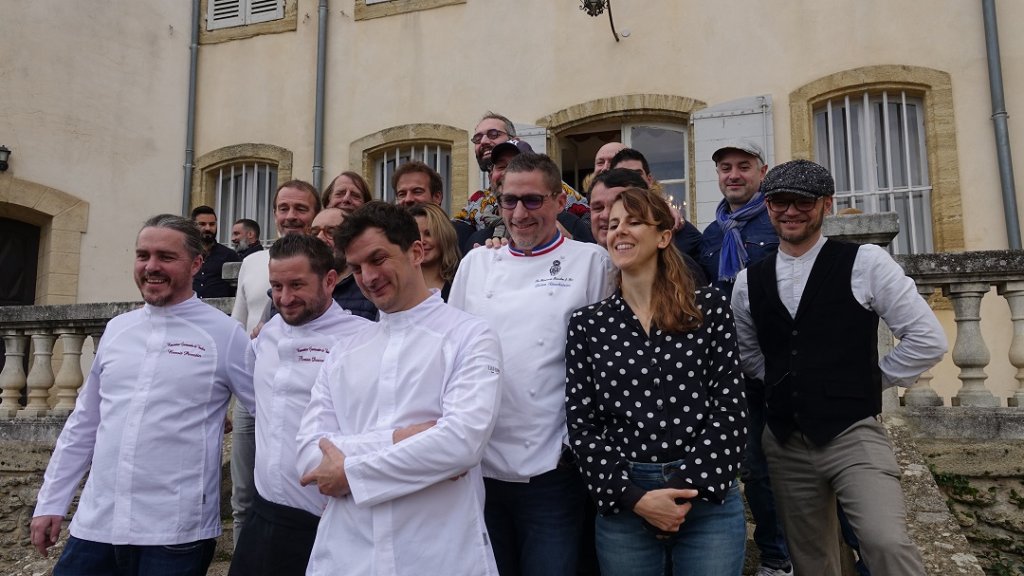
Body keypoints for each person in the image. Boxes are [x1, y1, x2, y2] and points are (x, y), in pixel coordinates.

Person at [731, 159, 948, 575]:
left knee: (885, 541)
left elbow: (927, 339)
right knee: (814, 560)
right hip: (786, 440)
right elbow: (750, 355)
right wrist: (786, 385)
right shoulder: (748, 281)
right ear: (767, 205)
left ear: (826, 204)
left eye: (803, 201)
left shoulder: (866, 262)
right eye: (779, 201)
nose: (790, 211)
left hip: (853, 435)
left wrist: (868, 381)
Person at [30, 214, 256, 575]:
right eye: (143, 255)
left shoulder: (225, 335)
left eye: (166, 257)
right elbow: (85, 423)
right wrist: (50, 501)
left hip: (175, 534)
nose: (151, 266)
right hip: (97, 525)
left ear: (196, 264)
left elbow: (271, 413)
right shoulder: (118, 330)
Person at [296, 201, 503, 575]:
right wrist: (401, 438)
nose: (368, 276)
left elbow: (461, 444)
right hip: (348, 554)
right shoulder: (344, 351)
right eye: (356, 267)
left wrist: (350, 470)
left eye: (378, 259)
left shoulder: (470, 335)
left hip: (439, 554)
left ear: (417, 252)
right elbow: (310, 458)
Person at [566, 187, 747, 575]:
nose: (619, 232)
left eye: (633, 222)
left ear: (664, 236)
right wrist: (637, 498)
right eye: (613, 225)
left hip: (706, 497)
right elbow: (583, 426)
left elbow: (730, 410)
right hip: (625, 500)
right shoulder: (587, 325)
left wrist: (680, 490)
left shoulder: (709, 308)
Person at [449, 152, 614, 576]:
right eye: (509, 201)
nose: (519, 214)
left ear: (560, 201)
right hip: (479, 470)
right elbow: (449, 357)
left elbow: (604, 367)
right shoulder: (476, 263)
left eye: (533, 201)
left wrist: (572, 446)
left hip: (551, 470)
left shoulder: (592, 262)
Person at [228, 234, 370, 576]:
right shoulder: (267, 335)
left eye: (296, 285)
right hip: (263, 516)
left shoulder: (361, 340)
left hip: (325, 521)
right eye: (276, 286)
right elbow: (252, 395)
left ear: (331, 280)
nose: (285, 298)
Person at [698, 140, 790, 576]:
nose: (733, 175)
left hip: (781, 364)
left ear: (762, 171)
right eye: (725, 168)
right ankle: (776, 556)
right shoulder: (714, 233)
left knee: (808, 463)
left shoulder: (779, 222)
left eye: (743, 167)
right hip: (733, 368)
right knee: (754, 468)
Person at [229, 179, 320, 548]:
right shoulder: (251, 262)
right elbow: (237, 327)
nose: (291, 216)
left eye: (301, 208)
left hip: (306, 390)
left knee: (303, 493)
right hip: (254, 392)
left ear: (314, 213)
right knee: (243, 497)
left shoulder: (323, 262)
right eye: (284, 208)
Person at [454, 112, 590, 234]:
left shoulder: (553, 190)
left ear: (515, 139)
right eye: (477, 138)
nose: (483, 141)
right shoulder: (478, 199)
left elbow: (589, 219)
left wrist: (568, 237)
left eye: (493, 134)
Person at [589, 169, 706, 285]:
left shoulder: (683, 271)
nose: (606, 215)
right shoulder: (579, 266)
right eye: (598, 208)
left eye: (620, 205)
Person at [609, 148, 703, 263]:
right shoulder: (598, 222)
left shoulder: (678, 228)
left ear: (649, 180)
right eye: (622, 176)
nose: (630, 182)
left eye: (636, 175)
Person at [407, 202, 461, 300]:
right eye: (415, 235)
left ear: (444, 236)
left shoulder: (460, 281)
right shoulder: (398, 284)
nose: (422, 241)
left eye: (429, 233)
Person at [191, 205, 242, 298]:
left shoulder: (229, 255)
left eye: (212, 224)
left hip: (220, 310)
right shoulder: (185, 254)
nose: (208, 228)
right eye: (202, 224)